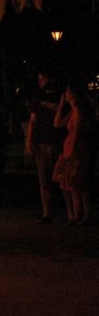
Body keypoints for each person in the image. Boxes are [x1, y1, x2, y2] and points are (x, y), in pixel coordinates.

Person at [52, 78, 94, 225]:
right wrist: (61, 107)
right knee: (72, 185)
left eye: (68, 91)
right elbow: (57, 124)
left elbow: (77, 131)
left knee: (80, 184)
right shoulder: (72, 111)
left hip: (76, 149)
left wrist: (71, 152)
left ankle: (87, 214)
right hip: (70, 148)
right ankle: (78, 215)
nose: (66, 94)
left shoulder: (79, 111)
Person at [26, 72, 66, 222]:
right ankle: (46, 212)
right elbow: (32, 121)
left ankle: (71, 212)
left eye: (42, 79)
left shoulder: (62, 97)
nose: (40, 82)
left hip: (58, 142)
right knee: (44, 180)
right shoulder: (37, 99)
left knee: (63, 179)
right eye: (38, 79)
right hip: (41, 142)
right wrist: (29, 141)